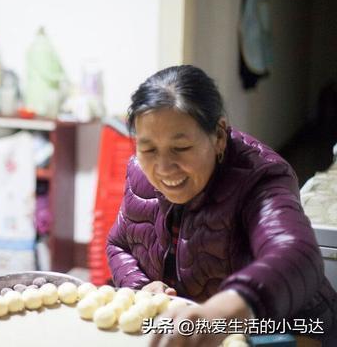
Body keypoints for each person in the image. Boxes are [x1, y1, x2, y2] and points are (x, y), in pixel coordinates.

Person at [107, 65, 336, 346]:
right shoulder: (139, 172)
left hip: (285, 330)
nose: (163, 168)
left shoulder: (260, 176)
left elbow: (296, 254)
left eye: (181, 148)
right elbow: (119, 245)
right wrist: (142, 287)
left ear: (219, 136)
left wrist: (226, 309)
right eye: (148, 149)